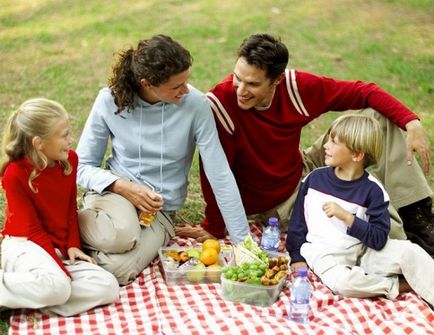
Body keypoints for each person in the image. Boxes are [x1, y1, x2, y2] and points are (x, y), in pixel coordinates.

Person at [176, 33, 434, 256]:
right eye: (237, 78)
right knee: (353, 214)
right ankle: (397, 242)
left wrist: (412, 122)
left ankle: (417, 215)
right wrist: (215, 226)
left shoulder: (295, 88)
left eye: (253, 84)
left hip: (303, 165)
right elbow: (215, 172)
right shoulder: (221, 104)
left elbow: (363, 91)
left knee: (379, 117)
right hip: (280, 200)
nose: (241, 89)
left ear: (276, 80)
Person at [76, 35, 249, 285]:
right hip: (115, 195)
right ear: (147, 84)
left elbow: (219, 173)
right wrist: (122, 186)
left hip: (159, 212)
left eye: (186, 81)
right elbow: (81, 166)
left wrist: (243, 243)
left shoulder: (196, 106)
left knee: (119, 271)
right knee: (122, 235)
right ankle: (68, 229)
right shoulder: (109, 100)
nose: (186, 90)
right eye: (177, 86)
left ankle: (81, 249)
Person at [285, 114, 434, 306]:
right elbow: (298, 223)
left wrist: (348, 218)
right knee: (344, 283)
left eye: (334, 142)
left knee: (410, 251)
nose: (325, 145)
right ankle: (395, 285)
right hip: (324, 254)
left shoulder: (373, 190)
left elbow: (379, 239)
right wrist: (296, 256)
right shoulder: (314, 180)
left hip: (365, 251)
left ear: (357, 155)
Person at [0, 98, 119, 316]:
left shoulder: (70, 160)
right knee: (59, 285)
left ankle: (24, 301)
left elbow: (69, 208)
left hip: (57, 247)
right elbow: (32, 230)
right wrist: (60, 270)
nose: (70, 140)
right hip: (25, 245)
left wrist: (73, 244)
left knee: (108, 286)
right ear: (39, 143)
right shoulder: (15, 174)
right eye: (64, 135)